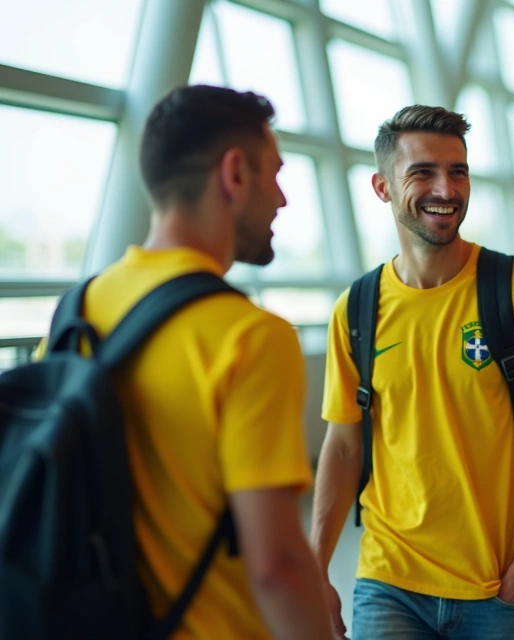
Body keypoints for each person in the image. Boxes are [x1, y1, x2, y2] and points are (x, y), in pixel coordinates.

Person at [39, 86, 330, 638]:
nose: (283, 200)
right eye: (276, 174)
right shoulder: (248, 336)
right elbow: (278, 568)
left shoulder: (76, 311)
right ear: (235, 173)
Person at [311, 105, 514, 640]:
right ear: (382, 186)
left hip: (496, 587)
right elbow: (343, 447)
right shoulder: (358, 309)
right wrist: (315, 567)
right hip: (389, 578)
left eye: (457, 171)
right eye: (423, 172)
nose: (447, 187)